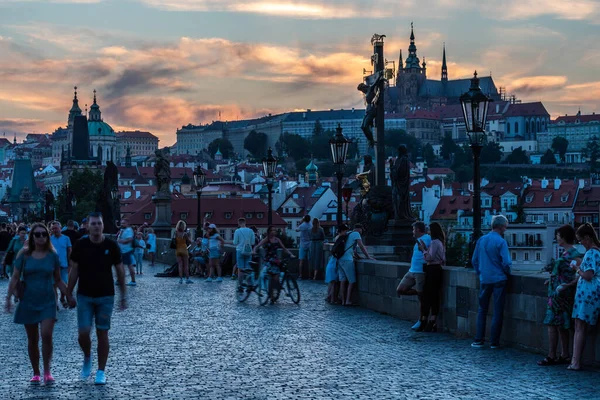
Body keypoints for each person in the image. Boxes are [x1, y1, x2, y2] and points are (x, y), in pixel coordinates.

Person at [66, 212, 127, 385]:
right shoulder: (81, 245)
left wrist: (123, 295)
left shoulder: (111, 245)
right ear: (87, 226)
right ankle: (87, 356)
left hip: (106, 296)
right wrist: (68, 293)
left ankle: (101, 371)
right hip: (84, 295)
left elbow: (120, 271)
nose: (96, 227)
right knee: (83, 334)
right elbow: (74, 270)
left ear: (103, 225)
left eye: (99, 223)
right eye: (93, 224)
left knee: (103, 333)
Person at [4, 222, 67, 385]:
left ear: (47, 237)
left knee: (46, 335)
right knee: (32, 339)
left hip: (47, 299)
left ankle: (47, 370)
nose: (40, 237)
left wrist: (69, 295)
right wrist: (8, 298)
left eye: (43, 234)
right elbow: (16, 277)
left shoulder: (53, 255)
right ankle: (36, 372)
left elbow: (58, 279)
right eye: (37, 234)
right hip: (28, 300)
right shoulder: (24, 254)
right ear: (32, 237)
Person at [537, 225, 581, 366]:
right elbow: (564, 274)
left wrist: (565, 285)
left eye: (558, 235)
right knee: (562, 325)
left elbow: (578, 274)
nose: (556, 237)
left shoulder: (574, 254)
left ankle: (552, 355)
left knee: (552, 324)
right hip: (560, 293)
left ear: (563, 237)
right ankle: (565, 354)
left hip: (560, 296)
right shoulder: (570, 253)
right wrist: (551, 280)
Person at [471, 215, 511, 349]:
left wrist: (480, 273)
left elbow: (474, 261)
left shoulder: (481, 240)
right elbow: (506, 262)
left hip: (485, 279)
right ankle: (494, 342)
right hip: (499, 278)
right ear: (500, 227)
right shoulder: (501, 242)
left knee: (482, 310)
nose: (505, 229)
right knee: (497, 311)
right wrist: (506, 273)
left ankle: (478, 340)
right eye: (505, 226)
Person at [568, 223, 600, 371]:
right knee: (580, 326)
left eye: (581, 240)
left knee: (580, 327)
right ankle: (575, 361)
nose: (580, 243)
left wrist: (577, 269)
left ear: (588, 237)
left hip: (587, 294)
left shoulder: (591, 253)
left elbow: (588, 275)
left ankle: (575, 362)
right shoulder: (597, 252)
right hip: (590, 294)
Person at [396, 221, 431, 330]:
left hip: (420, 271)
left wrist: (424, 249)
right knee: (400, 290)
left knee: (422, 301)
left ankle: (421, 320)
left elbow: (428, 252)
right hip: (412, 270)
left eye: (413, 229)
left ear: (418, 230)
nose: (412, 232)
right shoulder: (418, 241)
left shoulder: (426, 239)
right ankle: (420, 292)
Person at [254, 226, 295, 303]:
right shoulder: (267, 239)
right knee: (271, 278)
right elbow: (257, 246)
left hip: (276, 260)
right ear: (269, 231)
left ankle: (275, 292)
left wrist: (291, 254)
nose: (274, 232)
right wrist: (254, 251)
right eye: (273, 230)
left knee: (276, 278)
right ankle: (272, 296)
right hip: (268, 260)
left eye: (275, 230)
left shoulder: (277, 240)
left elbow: (284, 249)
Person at [418, 222, 446, 332]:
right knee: (434, 296)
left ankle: (425, 321)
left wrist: (423, 250)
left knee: (427, 296)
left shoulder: (434, 242)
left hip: (432, 270)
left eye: (429, 230)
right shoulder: (441, 242)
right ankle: (432, 321)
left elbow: (429, 257)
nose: (428, 232)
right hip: (438, 269)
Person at [338, 224, 373, 306]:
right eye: (362, 230)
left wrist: (358, 257)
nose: (362, 231)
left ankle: (343, 301)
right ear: (359, 229)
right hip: (347, 260)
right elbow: (361, 246)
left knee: (342, 281)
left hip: (340, 259)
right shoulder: (356, 234)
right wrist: (367, 256)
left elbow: (351, 249)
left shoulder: (348, 233)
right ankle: (348, 300)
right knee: (351, 281)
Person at [50, 221, 72, 309]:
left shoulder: (66, 238)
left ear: (60, 228)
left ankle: (63, 298)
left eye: (56, 228)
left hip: (63, 265)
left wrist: (70, 263)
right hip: (53, 266)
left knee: (64, 283)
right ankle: (55, 303)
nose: (55, 230)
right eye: (53, 228)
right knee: (53, 285)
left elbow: (69, 250)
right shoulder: (50, 239)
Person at [233, 218, 256, 285]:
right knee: (248, 268)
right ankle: (249, 284)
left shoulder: (237, 231)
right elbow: (252, 242)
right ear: (245, 222)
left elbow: (235, 242)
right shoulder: (251, 231)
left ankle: (240, 285)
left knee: (240, 268)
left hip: (240, 251)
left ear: (238, 223)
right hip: (248, 251)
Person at [117, 219, 136, 286]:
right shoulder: (123, 230)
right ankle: (119, 280)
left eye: (123, 223)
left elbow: (129, 239)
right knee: (120, 266)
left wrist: (121, 241)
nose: (122, 224)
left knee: (129, 265)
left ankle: (133, 281)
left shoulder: (129, 230)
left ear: (127, 224)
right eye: (121, 223)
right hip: (122, 251)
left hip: (126, 251)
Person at [296, 215, 311, 280]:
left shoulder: (303, 225)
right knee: (309, 261)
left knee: (301, 261)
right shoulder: (311, 225)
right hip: (309, 244)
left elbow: (296, 230)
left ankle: (300, 275)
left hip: (302, 244)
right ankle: (310, 275)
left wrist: (300, 222)